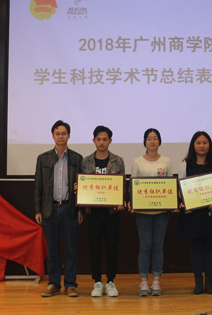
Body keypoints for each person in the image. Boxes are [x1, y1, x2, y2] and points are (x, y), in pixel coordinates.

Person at [34, 120, 83, 298]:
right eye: (57, 133)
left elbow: (82, 186)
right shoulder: (43, 158)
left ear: (68, 136)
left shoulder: (77, 158)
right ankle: (53, 284)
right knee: (52, 249)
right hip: (50, 209)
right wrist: (38, 209)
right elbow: (38, 185)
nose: (61, 136)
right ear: (53, 136)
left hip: (70, 208)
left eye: (64, 133)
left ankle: (70, 284)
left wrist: (80, 209)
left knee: (70, 249)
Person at [177, 131, 212, 295]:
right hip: (193, 213)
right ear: (193, 145)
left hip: (211, 212)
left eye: (205, 143)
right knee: (196, 246)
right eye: (198, 143)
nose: (202, 146)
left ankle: (209, 282)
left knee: (210, 246)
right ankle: (198, 282)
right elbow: (180, 188)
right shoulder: (185, 164)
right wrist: (186, 201)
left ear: (209, 145)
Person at [81, 125, 125, 298]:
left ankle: (111, 281)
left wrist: (120, 200)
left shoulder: (118, 160)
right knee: (95, 248)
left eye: (104, 139)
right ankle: (97, 282)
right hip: (93, 213)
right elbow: (83, 184)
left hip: (112, 213)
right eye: (98, 139)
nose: (101, 142)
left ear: (110, 141)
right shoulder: (86, 161)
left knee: (112, 248)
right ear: (94, 140)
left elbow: (122, 185)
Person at [130, 128, 172, 297]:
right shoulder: (137, 161)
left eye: (155, 138)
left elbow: (170, 185)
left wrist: (173, 202)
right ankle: (143, 282)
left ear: (159, 141)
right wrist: (133, 202)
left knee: (158, 246)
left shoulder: (166, 161)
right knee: (145, 246)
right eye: (149, 138)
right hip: (142, 212)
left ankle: (156, 281)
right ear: (145, 142)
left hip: (162, 212)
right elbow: (133, 185)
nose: (152, 141)